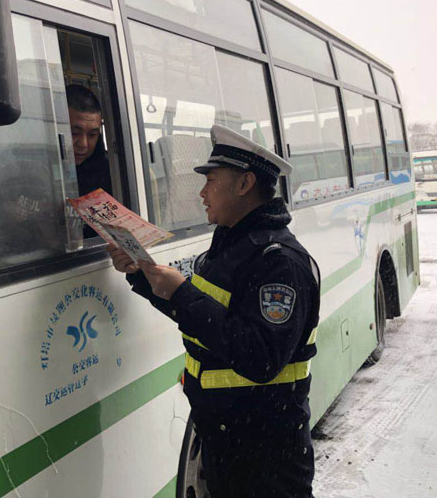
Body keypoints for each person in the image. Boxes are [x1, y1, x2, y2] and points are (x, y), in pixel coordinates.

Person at [107, 124, 320, 498]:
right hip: (229, 439)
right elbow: (204, 316)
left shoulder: (279, 262)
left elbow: (261, 357)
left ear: (244, 184)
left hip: (265, 452)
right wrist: (142, 275)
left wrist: (182, 294)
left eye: (211, 181)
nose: (202, 193)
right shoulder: (234, 244)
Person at [66, 84, 112, 197]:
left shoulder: (111, 173)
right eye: (74, 133)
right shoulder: (36, 166)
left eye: (92, 135)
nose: (83, 144)